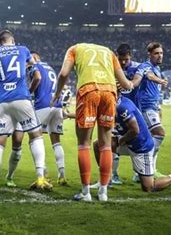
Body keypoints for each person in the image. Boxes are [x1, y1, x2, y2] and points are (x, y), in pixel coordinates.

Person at [52, 42, 134, 202]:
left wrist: (57, 93)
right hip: (109, 92)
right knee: (105, 144)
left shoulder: (74, 49)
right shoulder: (109, 52)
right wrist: (133, 83)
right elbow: (125, 84)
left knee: (84, 144)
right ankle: (103, 192)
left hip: (88, 90)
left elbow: (63, 74)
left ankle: (85, 192)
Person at [0, 30, 51, 196]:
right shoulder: (23, 49)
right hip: (22, 97)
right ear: (12, 40)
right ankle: (40, 177)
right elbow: (34, 70)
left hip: (2, 102)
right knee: (36, 135)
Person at [92, 95, 171, 192]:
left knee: (149, 187)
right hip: (128, 142)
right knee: (98, 144)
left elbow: (135, 130)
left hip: (141, 147)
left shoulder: (122, 107)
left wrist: (122, 139)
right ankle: (105, 180)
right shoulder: (114, 103)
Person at [29, 51, 67, 185]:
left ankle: (42, 175)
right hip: (57, 105)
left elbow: (37, 78)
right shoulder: (49, 67)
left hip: (43, 105)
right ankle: (62, 175)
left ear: (34, 58)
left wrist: (28, 92)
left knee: (34, 138)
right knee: (56, 141)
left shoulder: (35, 67)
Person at [131, 42, 168, 177]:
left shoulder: (157, 69)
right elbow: (149, 76)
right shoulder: (146, 66)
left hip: (153, 107)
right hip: (146, 107)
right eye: (156, 53)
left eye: (161, 53)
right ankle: (148, 168)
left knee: (149, 138)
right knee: (159, 133)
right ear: (150, 55)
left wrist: (159, 108)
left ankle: (141, 172)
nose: (160, 56)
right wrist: (160, 80)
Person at [112, 43, 142, 184]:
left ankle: (138, 173)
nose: (123, 62)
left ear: (130, 56)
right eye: (121, 59)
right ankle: (114, 175)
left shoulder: (138, 68)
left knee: (136, 143)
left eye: (126, 59)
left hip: (134, 112)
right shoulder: (112, 68)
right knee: (113, 142)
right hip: (116, 113)